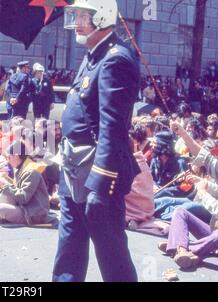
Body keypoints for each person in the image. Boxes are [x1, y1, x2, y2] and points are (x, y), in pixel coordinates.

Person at [53, 0, 140, 282]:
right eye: (75, 15)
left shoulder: (116, 58)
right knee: (69, 243)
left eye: (83, 16)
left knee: (110, 249)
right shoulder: (94, 54)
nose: (76, 21)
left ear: (102, 17)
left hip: (96, 169)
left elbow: (112, 128)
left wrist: (100, 184)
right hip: (73, 162)